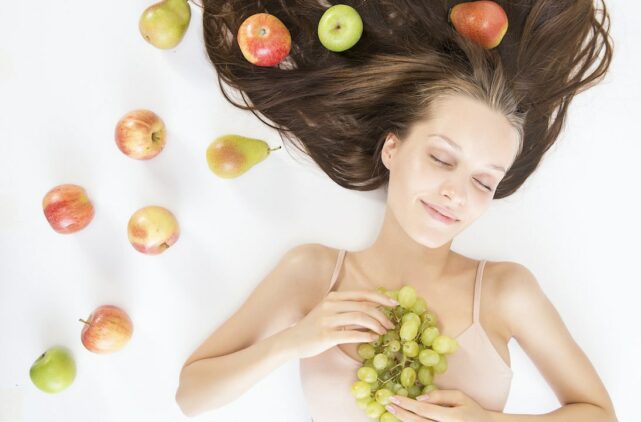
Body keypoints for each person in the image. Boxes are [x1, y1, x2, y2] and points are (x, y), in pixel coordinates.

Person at [176, 0, 616, 420]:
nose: (455, 193)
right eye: (442, 159)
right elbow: (192, 395)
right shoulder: (312, 273)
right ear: (393, 148)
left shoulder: (506, 291)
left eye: (484, 181)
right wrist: (293, 341)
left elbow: (600, 416)